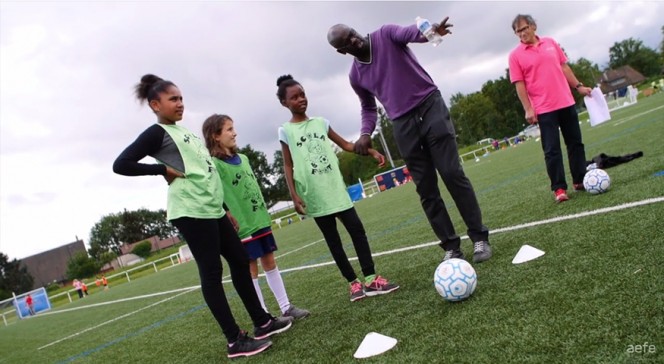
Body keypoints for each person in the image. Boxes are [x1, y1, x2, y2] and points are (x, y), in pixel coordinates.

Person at [113, 74, 292, 359]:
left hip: (212, 209)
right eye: (173, 99)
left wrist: (223, 208)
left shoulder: (183, 131)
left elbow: (204, 173)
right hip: (191, 211)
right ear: (155, 105)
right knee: (212, 273)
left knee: (240, 260)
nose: (180, 103)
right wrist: (161, 170)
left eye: (181, 98)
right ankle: (234, 340)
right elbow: (121, 164)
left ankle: (262, 322)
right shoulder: (156, 133)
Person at [327, 18, 492, 263]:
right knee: (426, 188)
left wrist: (431, 31)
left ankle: (479, 238)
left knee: (451, 173)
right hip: (402, 124)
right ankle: (451, 247)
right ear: (342, 51)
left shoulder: (385, 34)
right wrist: (365, 134)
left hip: (430, 106)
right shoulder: (355, 76)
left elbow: (412, 33)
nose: (354, 39)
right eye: (347, 41)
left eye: (352, 33)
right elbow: (368, 108)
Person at [276, 74, 399, 302]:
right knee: (334, 241)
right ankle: (353, 284)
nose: (301, 99)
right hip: (314, 194)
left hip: (335, 189)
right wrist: (294, 195)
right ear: (284, 103)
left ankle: (371, 279)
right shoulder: (285, 131)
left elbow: (345, 145)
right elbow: (288, 164)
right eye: (294, 97)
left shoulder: (321, 123)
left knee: (357, 230)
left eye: (302, 94)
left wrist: (369, 150)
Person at [202, 114, 310, 319]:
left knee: (270, 262)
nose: (234, 133)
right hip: (242, 227)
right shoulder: (214, 165)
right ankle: (264, 315)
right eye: (229, 129)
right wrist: (227, 212)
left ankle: (286, 306)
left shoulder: (243, 158)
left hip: (259, 219)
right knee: (250, 269)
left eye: (234, 128)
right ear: (215, 136)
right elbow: (214, 192)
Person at [508, 14, 592, 203]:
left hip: (566, 101)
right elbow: (519, 84)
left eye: (524, 28)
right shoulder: (515, 56)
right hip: (544, 108)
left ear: (533, 26)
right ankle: (559, 189)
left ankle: (579, 180)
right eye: (518, 31)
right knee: (552, 150)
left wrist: (579, 87)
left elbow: (564, 67)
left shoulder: (551, 43)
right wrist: (528, 108)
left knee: (575, 143)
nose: (521, 33)